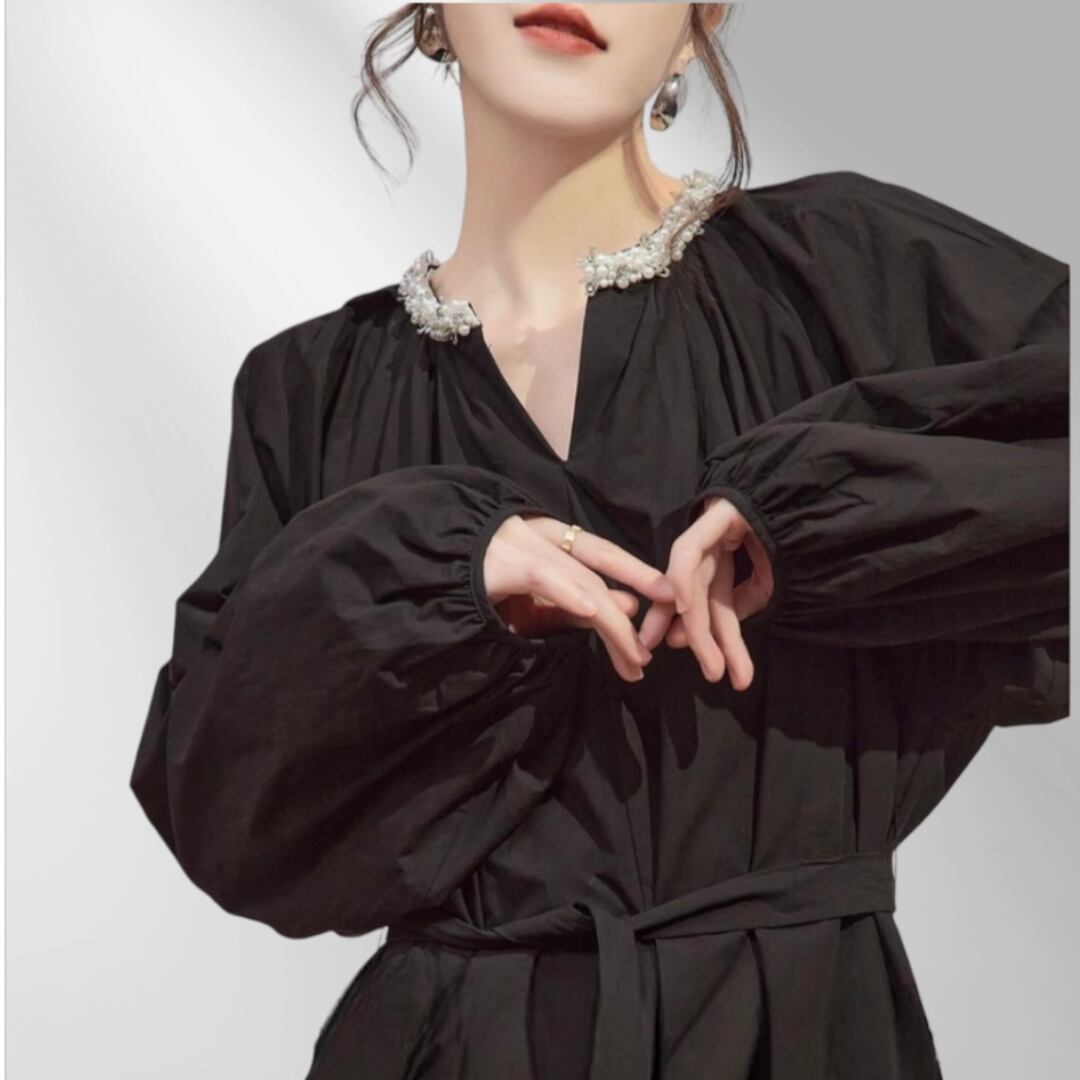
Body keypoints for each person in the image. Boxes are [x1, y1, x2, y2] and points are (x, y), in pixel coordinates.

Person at [128, 4, 1069, 1078]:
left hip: (794, 1039)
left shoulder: (836, 277)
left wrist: (832, 509)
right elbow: (227, 812)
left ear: (696, 25)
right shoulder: (310, 394)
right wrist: (435, 580)